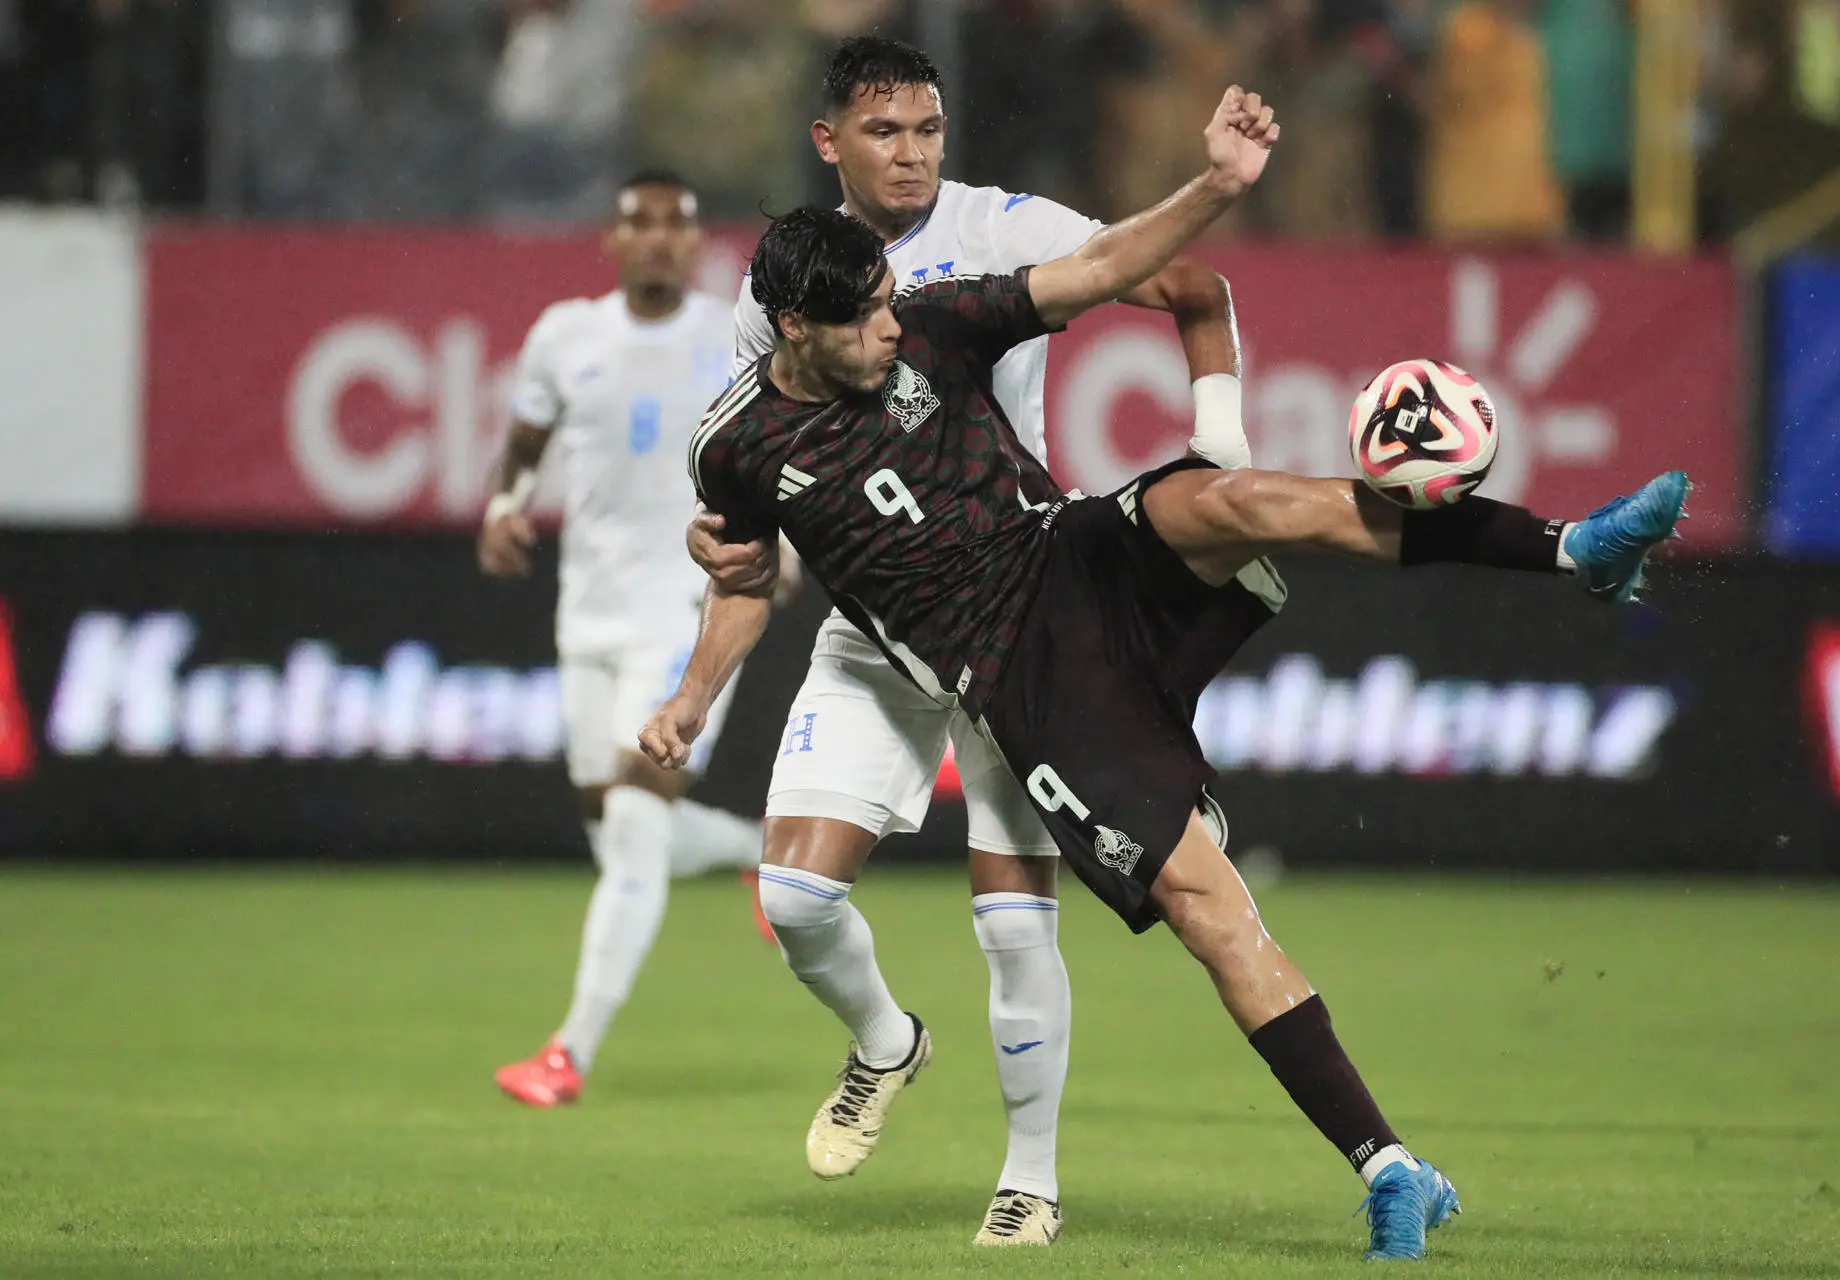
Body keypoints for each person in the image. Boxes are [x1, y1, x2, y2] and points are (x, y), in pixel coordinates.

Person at [643, 87, 1690, 1261]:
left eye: (892, 301)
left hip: (1075, 554)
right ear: (792, 326)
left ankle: (1571, 550)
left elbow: (1094, 275)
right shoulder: (733, 446)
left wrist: (1219, 188)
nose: (891, 328)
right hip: (1023, 687)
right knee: (1208, 906)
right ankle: (1391, 1164)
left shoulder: (934, 320)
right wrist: (690, 699)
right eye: (863, 320)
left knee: (1239, 497)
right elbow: (740, 574)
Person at [685, 36, 1250, 1246]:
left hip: (1015, 609)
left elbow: (1186, 287)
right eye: (886, 132)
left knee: (1011, 921)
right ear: (829, 140)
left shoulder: (1004, 227)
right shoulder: (780, 283)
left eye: (930, 129)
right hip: (880, 626)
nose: (914, 154)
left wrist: (1220, 444)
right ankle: (888, 1041)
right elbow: (774, 482)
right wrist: (733, 558)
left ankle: (1030, 1177)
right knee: (791, 896)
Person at [478, 170, 781, 1108]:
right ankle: (757, 847)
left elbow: (788, 447)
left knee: (639, 818)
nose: (656, 239)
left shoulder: (736, 341)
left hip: (689, 619)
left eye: (675, 226)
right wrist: (504, 502)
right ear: (611, 242)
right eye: (638, 223)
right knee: (613, 833)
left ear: (697, 245)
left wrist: (789, 538)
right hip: (590, 618)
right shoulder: (567, 337)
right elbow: (528, 438)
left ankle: (568, 1051)